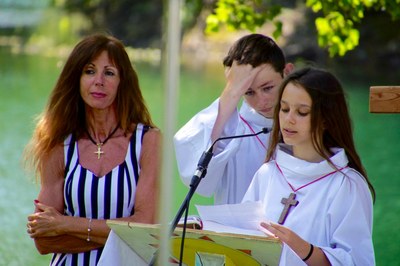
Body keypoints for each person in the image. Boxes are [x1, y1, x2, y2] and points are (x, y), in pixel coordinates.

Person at [25, 33, 161, 266]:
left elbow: (144, 228)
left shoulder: (148, 141)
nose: (99, 81)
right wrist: (122, 234)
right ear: (76, 78)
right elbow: (43, 242)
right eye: (89, 71)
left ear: (122, 81)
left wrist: (66, 224)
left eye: (109, 72)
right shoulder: (57, 142)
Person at [242, 67, 376, 265]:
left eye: (302, 112)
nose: (289, 119)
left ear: (325, 119)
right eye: (285, 109)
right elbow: (241, 240)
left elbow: (357, 261)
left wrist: (304, 249)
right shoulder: (267, 174)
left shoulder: (346, 185)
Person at [174, 34, 294, 204]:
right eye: (249, 92)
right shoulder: (232, 130)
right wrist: (232, 90)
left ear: (287, 72)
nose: (261, 101)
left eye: (267, 88)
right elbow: (195, 176)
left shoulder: (309, 126)